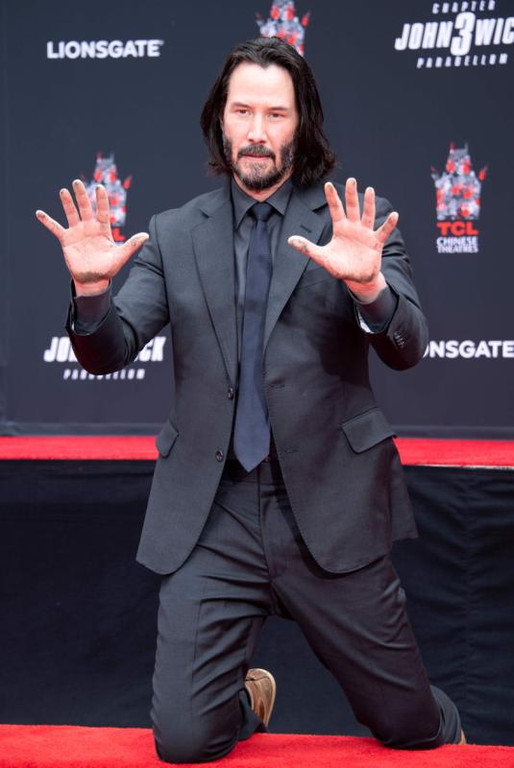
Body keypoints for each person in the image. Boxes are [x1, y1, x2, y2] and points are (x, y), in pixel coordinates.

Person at [36, 36, 464, 763]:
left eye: (276, 113)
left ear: (304, 123)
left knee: (408, 726)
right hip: (215, 513)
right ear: (220, 120)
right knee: (182, 741)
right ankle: (245, 699)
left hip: (328, 503)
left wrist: (369, 287)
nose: (257, 131)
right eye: (242, 111)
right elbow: (108, 349)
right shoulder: (175, 233)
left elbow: (408, 345)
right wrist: (90, 290)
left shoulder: (354, 221)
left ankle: (435, 716)